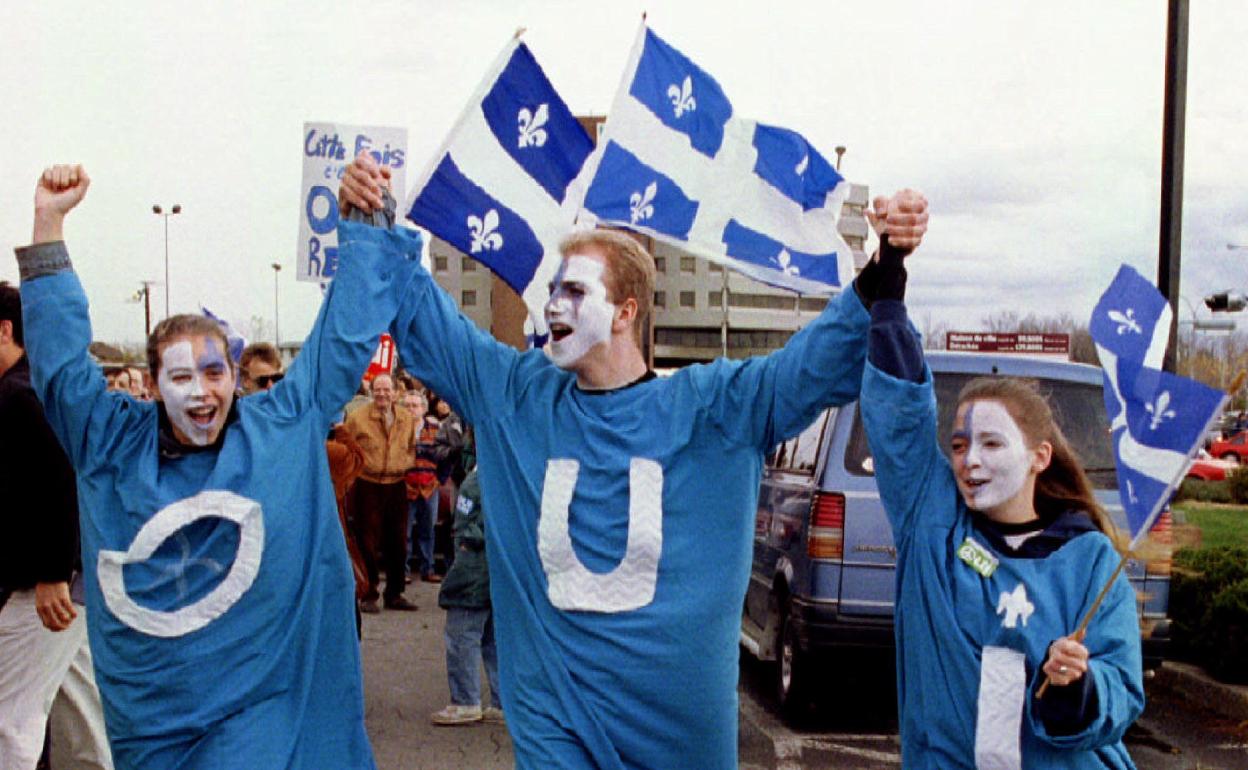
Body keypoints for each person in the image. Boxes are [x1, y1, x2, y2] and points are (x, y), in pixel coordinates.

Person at [339, 152, 928, 768]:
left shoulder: (712, 407)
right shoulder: (516, 394)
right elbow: (427, 323)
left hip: (675, 741)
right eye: (551, 293)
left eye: (574, 291)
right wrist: (374, 218)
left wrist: (884, 266)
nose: (554, 308)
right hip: (556, 729)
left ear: (626, 313)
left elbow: (812, 367)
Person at [15, 161, 419, 769]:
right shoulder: (107, 440)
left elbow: (342, 337)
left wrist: (360, 223)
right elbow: (59, 366)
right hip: (155, 722)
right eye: (181, 376)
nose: (201, 393)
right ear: (152, 384)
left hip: (262, 708)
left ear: (234, 377)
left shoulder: (279, 425)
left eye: (214, 373)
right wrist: (49, 223)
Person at [854, 230, 1144, 767]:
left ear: (1039, 456)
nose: (970, 461)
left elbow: (1121, 690)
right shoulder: (932, 523)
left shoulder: (1091, 561)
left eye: (992, 443)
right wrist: (890, 273)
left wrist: (1076, 687)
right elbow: (898, 418)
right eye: (960, 445)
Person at [0, 280, 113, 770]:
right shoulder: (27, 389)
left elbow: (65, 482)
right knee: (82, 721)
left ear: (5, 331)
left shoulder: (21, 396)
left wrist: (52, 574)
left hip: (43, 589)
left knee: (8, 722)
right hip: (68, 583)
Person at [431, 467, 503, 726]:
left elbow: (466, 522)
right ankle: (502, 701)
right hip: (500, 569)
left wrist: (466, 542)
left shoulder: (479, 477)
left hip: (474, 566)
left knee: (462, 634)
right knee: (494, 639)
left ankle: (465, 701)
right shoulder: (510, 467)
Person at [345, 371, 419, 613]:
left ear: (395, 393)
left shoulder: (407, 418)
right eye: (378, 389)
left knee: (398, 541)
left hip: (396, 484)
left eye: (387, 390)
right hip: (367, 483)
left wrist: (405, 462)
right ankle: (368, 593)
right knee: (367, 540)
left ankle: (395, 593)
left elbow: (410, 446)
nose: (382, 394)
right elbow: (346, 447)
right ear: (371, 391)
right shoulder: (357, 418)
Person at [403, 390, 442, 583]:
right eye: (407, 405)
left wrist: (439, 479)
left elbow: (445, 456)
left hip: (429, 487)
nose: (411, 409)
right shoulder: (398, 429)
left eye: (415, 405)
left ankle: (428, 569)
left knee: (428, 531)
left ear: (424, 409)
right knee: (405, 532)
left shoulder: (436, 429)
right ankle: (404, 571)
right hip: (406, 487)